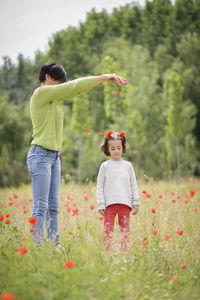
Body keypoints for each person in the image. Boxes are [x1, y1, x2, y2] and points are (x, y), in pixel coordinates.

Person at [26, 61, 128, 246]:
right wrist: (105, 77)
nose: (61, 86)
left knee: (53, 207)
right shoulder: (41, 94)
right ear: (47, 77)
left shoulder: (54, 99)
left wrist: (100, 81)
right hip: (40, 155)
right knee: (40, 206)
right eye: (59, 81)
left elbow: (76, 90)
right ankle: (38, 248)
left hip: (54, 157)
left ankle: (54, 246)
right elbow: (73, 86)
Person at [96, 130, 139, 251]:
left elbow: (133, 184)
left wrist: (135, 201)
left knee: (124, 229)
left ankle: (124, 253)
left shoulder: (128, 166)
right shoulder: (105, 166)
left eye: (118, 148)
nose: (116, 151)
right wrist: (101, 203)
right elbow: (100, 185)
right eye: (113, 148)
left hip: (125, 203)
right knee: (107, 229)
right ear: (107, 149)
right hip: (109, 204)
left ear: (123, 148)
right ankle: (107, 252)